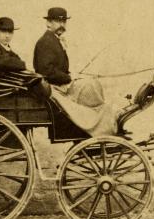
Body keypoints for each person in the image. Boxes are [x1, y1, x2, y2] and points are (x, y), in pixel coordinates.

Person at [33, 7, 116, 136]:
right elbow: (46, 71)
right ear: (48, 23)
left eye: (64, 22)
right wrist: (69, 78)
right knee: (90, 87)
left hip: (59, 85)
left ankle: (99, 124)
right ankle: (97, 128)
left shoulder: (54, 39)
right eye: (57, 21)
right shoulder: (46, 41)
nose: (61, 25)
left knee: (92, 84)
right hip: (55, 90)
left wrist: (69, 76)